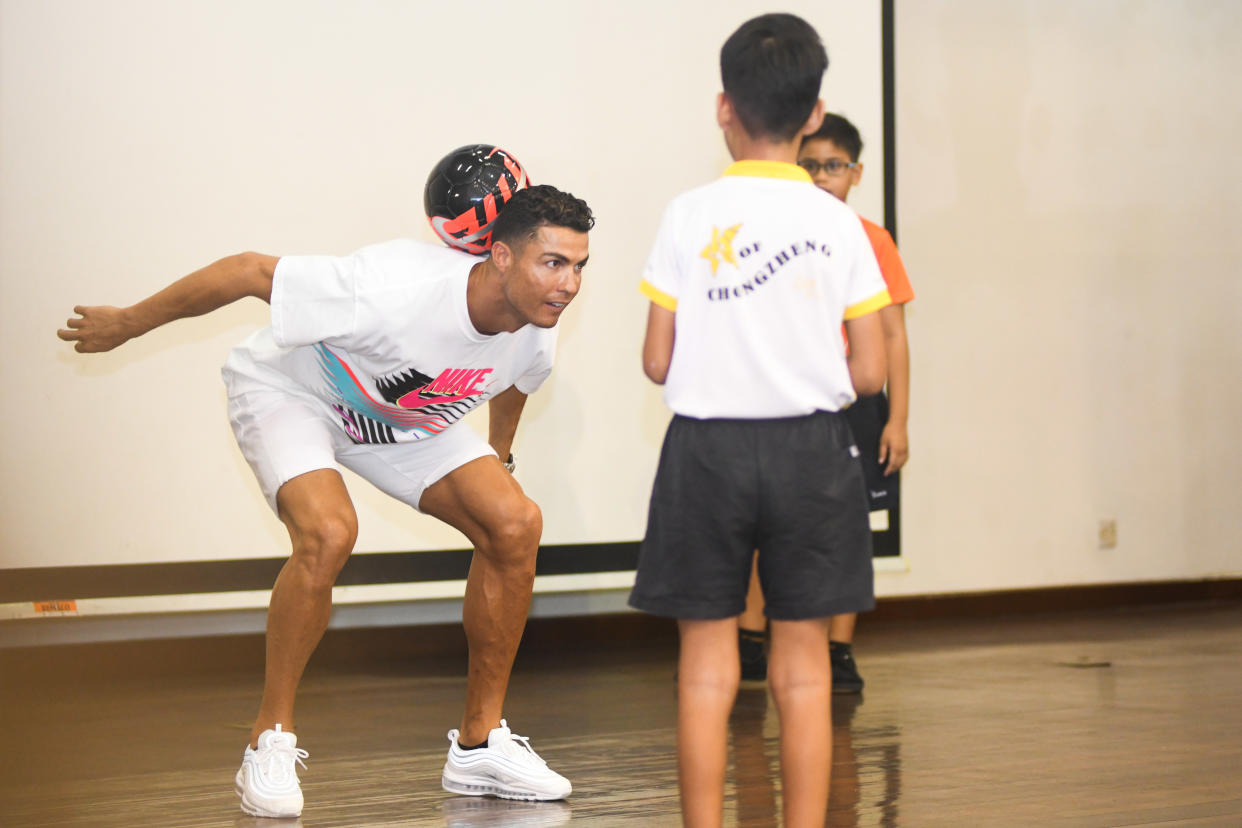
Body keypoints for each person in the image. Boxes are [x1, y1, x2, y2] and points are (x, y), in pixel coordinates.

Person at [56, 184, 593, 818]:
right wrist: (127, 322)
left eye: (580, 266)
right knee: (330, 533)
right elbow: (249, 270)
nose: (569, 285)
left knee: (515, 523)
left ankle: (477, 747)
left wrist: (499, 458)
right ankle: (270, 739)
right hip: (294, 394)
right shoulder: (394, 287)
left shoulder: (537, 328)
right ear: (500, 256)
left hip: (403, 419)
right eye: (552, 263)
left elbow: (516, 384)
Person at [628, 14, 890, 828]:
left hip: (705, 450)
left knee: (707, 666)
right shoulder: (842, 224)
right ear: (815, 114)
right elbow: (872, 368)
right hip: (813, 450)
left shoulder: (686, 214)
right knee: (805, 665)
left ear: (723, 108)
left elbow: (658, 361)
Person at [737, 113, 916, 693]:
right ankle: (749, 640)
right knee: (766, 524)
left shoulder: (873, 239)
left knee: (850, 530)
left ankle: (839, 650)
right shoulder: (778, 229)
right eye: (808, 164)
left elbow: (892, 337)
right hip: (788, 400)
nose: (820, 176)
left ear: (856, 172)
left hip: (855, 404)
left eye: (833, 165)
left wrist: (898, 418)